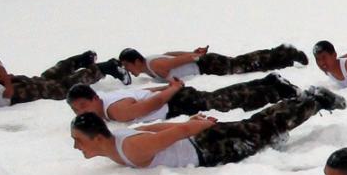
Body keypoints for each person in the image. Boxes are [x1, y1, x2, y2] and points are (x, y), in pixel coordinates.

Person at [70, 86, 346, 168]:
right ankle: (302, 102)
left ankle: (315, 101)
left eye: (79, 140)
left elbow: (171, 134)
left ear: (96, 138)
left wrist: (193, 126)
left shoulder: (130, 147)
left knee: (262, 129)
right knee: (257, 125)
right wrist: (191, 123)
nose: (75, 146)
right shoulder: (119, 139)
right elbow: (155, 129)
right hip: (201, 139)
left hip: (207, 147)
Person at [0, 51, 129, 108]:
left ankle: (104, 68)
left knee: (60, 89)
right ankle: (80, 59)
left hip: (16, 92)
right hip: (12, 87)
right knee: (46, 80)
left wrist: (7, 85)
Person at [66, 73, 300, 124]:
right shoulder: (108, 98)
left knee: (230, 100)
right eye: (78, 110)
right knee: (225, 96)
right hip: (173, 97)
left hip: (175, 102)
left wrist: (172, 89)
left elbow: (151, 103)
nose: (83, 112)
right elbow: (144, 93)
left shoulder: (115, 110)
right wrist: (168, 87)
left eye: (84, 106)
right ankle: (269, 83)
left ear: (95, 97)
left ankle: (275, 89)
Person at [118, 44, 308, 83]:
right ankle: (284, 59)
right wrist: (193, 52)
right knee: (245, 64)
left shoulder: (155, 66)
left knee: (244, 63)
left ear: (136, 61)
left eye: (127, 66)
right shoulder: (152, 62)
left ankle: (285, 53)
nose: (128, 70)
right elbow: (169, 54)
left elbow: (174, 60)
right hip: (204, 63)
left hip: (206, 65)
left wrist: (195, 56)